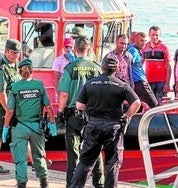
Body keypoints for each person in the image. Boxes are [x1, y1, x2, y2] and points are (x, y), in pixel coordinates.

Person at [70, 57, 141, 188]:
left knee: (85, 162)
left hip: (93, 126)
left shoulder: (90, 84)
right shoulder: (122, 85)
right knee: (113, 163)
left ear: (102, 68)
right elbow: (137, 103)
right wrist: (126, 115)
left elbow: (79, 105)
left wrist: (91, 108)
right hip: (113, 127)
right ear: (117, 69)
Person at [1, 58, 57, 188]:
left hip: (20, 127)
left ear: (20, 72)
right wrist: (52, 124)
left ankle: (21, 183)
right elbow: (48, 107)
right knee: (38, 156)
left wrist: (5, 128)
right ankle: (44, 182)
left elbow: (9, 111)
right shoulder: (39, 85)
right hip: (36, 127)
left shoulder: (15, 88)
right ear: (32, 71)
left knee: (21, 159)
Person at [57, 35, 104, 188]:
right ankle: (99, 182)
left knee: (73, 152)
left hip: (73, 115)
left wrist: (60, 113)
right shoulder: (96, 68)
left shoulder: (70, 68)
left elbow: (64, 94)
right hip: (93, 115)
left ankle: (73, 184)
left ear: (75, 49)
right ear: (88, 49)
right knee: (95, 149)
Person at [0, 39, 22, 175]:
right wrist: (9, 110)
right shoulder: (2, 68)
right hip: (3, 108)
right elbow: (1, 93)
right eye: (14, 53)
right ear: (7, 51)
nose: (17, 56)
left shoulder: (14, 64)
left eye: (18, 53)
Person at [127, 32, 158, 110]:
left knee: (138, 107)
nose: (143, 43)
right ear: (135, 41)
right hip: (139, 82)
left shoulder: (137, 50)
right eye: (141, 40)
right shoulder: (133, 50)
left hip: (137, 82)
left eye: (145, 41)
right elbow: (128, 63)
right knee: (154, 105)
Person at [142, 26, 171, 104]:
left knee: (160, 102)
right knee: (150, 103)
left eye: (157, 35)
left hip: (161, 81)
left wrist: (167, 83)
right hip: (148, 80)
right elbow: (140, 64)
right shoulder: (145, 47)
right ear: (149, 35)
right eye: (153, 35)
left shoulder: (164, 48)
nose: (155, 37)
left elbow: (168, 66)